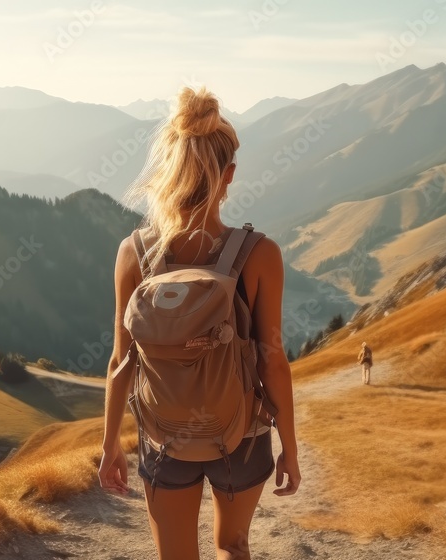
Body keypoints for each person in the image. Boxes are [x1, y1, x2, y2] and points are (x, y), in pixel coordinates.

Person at [98, 86, 301, 560]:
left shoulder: (134, 253)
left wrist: (110, 444)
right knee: (232, 545)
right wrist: (289, 446)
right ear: (229, 175)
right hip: (243, 434)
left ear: (169, 169)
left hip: (163, 435)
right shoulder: (260, 255)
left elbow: (120, 357)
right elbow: (273, 361)